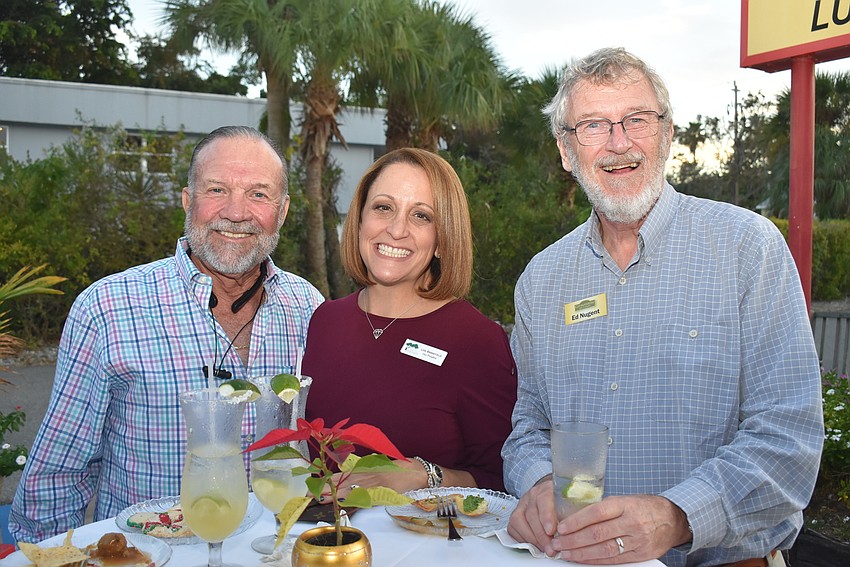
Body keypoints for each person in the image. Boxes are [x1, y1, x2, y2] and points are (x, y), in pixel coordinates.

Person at [502, 47, 823, 567]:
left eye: (637, 120)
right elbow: (529, 426)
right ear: (566, 151)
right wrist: (537, 481)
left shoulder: (748, 249)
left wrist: (677, 515)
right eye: (594, 125)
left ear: (668, 134)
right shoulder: (541, 281)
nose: (619, 142)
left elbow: (789, 437)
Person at [10, 125, 324, 543]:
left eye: (258, 194)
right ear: (187, 200)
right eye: (216, 190)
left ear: (281, 212)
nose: (235, 211)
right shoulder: (107, 309)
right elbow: (57, 474)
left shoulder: (309, 307)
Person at [303, 147, 517, 493]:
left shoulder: (476, 341)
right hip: (326, 542)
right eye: (383, 208)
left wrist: (423, 476)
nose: (397, 229)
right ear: (359, 220)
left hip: (424, 544)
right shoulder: (325, 321)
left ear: (441, 241)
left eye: (421, 216)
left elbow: (502, 480)